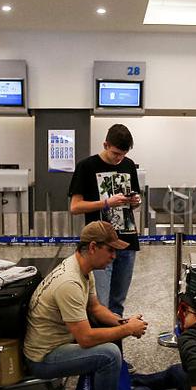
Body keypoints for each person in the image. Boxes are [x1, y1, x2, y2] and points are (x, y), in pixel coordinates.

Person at [24, 221, 149, 390]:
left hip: (57, 342)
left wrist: (124, 322)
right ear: (93, 247)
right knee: (109, 355)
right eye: (110, 250)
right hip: (44, 357)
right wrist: (127, 330)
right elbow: (86, 338)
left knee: (106, 331)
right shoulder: (70, 283)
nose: (114, 256)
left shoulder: (82, 268)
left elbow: (95, 308)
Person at [68, 124, 142, 321]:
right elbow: (75, 207)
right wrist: (106, 203)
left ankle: (115, 336)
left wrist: (135, 202)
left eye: (123, 154)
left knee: (118, 302)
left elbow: (133, 201)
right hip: (100, 243)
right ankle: (101, 337)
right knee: (100, 303)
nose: (119, 159)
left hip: (127, 240)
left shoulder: (128, 165)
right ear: (105, 145)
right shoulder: (86, 166)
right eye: (115, 153)